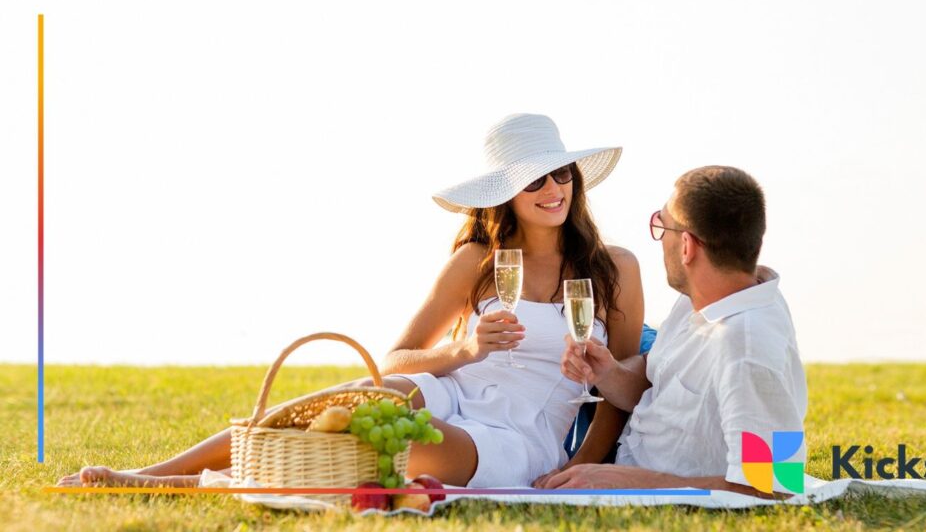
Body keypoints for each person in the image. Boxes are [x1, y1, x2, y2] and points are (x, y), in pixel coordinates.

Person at [59, 113, 643, 488]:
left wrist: (577, 465)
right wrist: (462, 351)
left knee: (383, 444)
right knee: (350, 400)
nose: (553, 189)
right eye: (534, 180)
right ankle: (151, 473)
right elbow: (396, 359)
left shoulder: (614, 269)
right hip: (451, 391)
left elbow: (616, 391)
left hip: (516, 436)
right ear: (506, 194)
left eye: (560, 173)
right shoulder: (476, 261)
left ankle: (196, 483)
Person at [536, 166, 806, 496]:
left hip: (637, 480)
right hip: (620, 462)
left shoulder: (747, 349)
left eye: (661, 226)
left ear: (687, 246)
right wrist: (607, 372)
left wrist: (628, 480)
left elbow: (773, 487)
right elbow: (657, 380)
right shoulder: (698, 300)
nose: (660, 237)